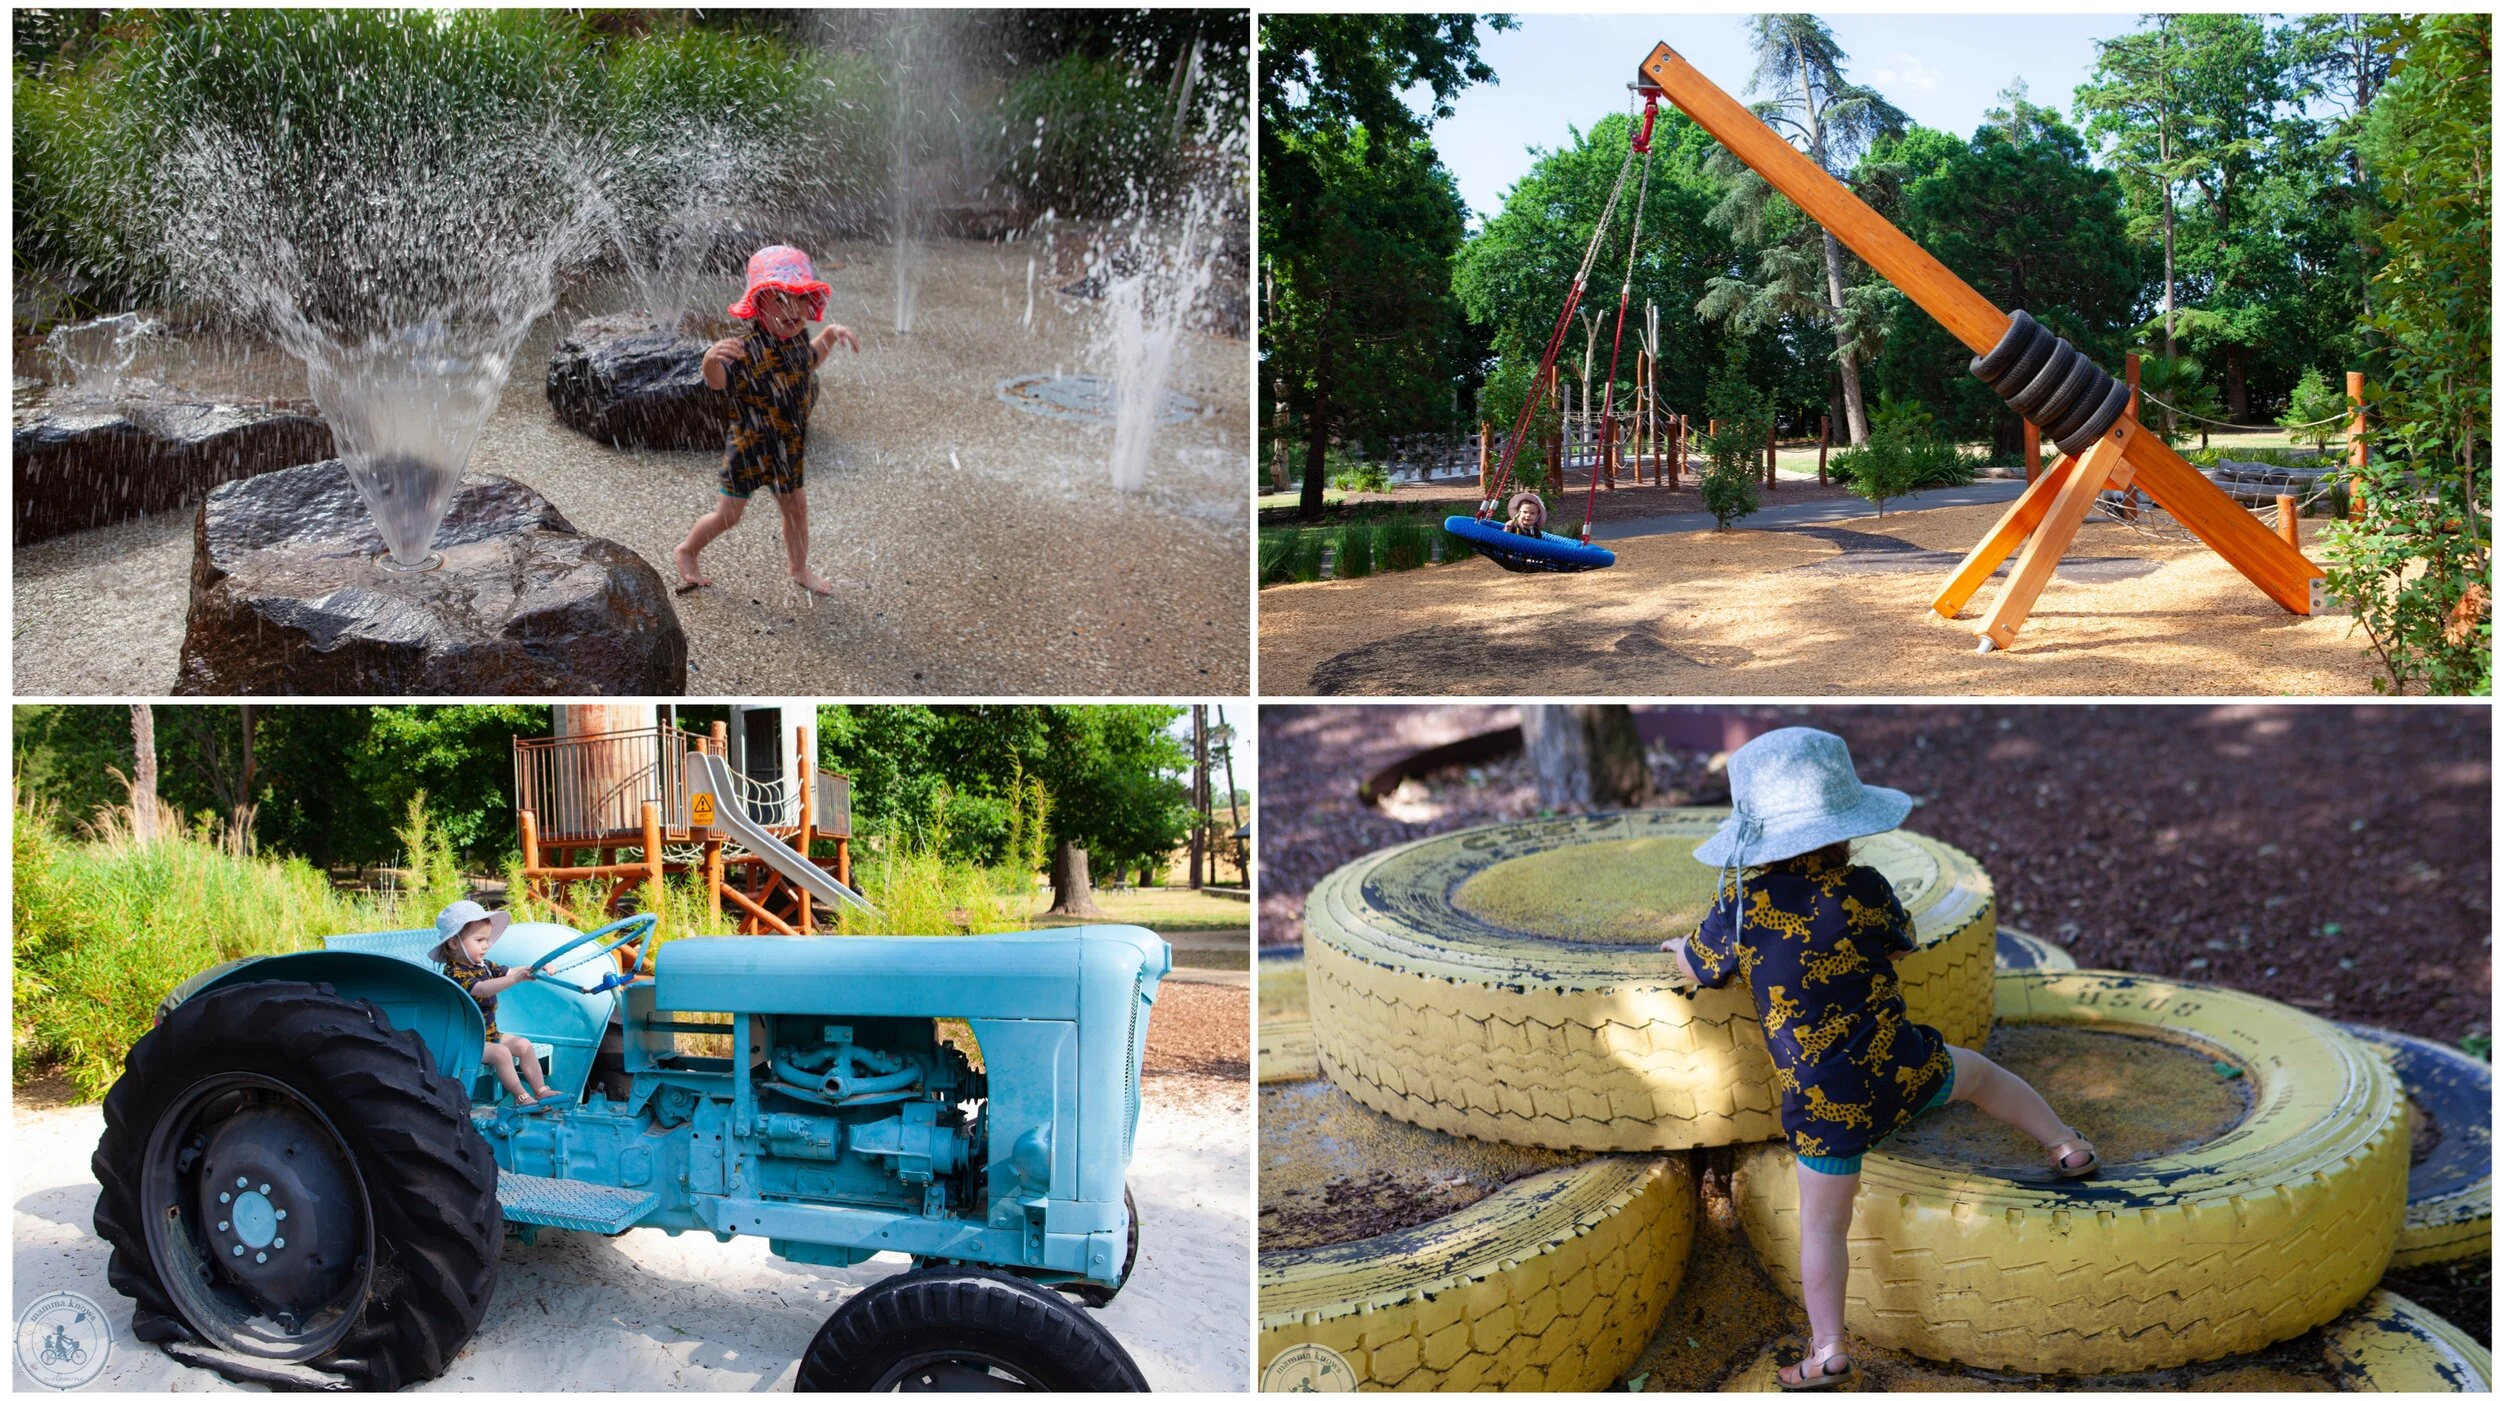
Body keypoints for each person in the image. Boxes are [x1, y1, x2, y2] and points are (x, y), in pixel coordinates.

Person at [1659, 728, 2097, 1391]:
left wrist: (1678, 947)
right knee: (1977, 1073)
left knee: (1823, 1228)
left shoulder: (1741, 907)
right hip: (1899, 1064)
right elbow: (1899, 946)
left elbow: (1698, 966)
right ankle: (2064, 1143)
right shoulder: (1865, 886)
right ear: (1846, 824)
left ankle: (1829, 1348)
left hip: (1823, 1104)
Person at [674, 245, 861, 597]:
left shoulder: (798, 339)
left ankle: (799, 567)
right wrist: (710, 360)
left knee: (797, 509)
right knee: (728, 515)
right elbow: (718, 383)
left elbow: (810, 360)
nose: (792, 309)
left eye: (799, 297)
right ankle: (687, 550)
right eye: (779, 299)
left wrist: (830, 336)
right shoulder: (746, 347)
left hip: (787, 446)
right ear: (758, 305)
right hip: (748, 445)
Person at [428, 900, 563, 1111]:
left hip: (489, 1034)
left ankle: (541, 1090)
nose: (486, 945)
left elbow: (510, 971)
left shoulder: (484, 966)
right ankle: (521, 1097)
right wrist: (517, 978)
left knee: (523, 1045)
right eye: (480, 940)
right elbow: (482, 989)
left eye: (487, 939)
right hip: (467, 1041)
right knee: (501, 1053)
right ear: (454, 943)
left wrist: (535, 968)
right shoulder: (454, 973)